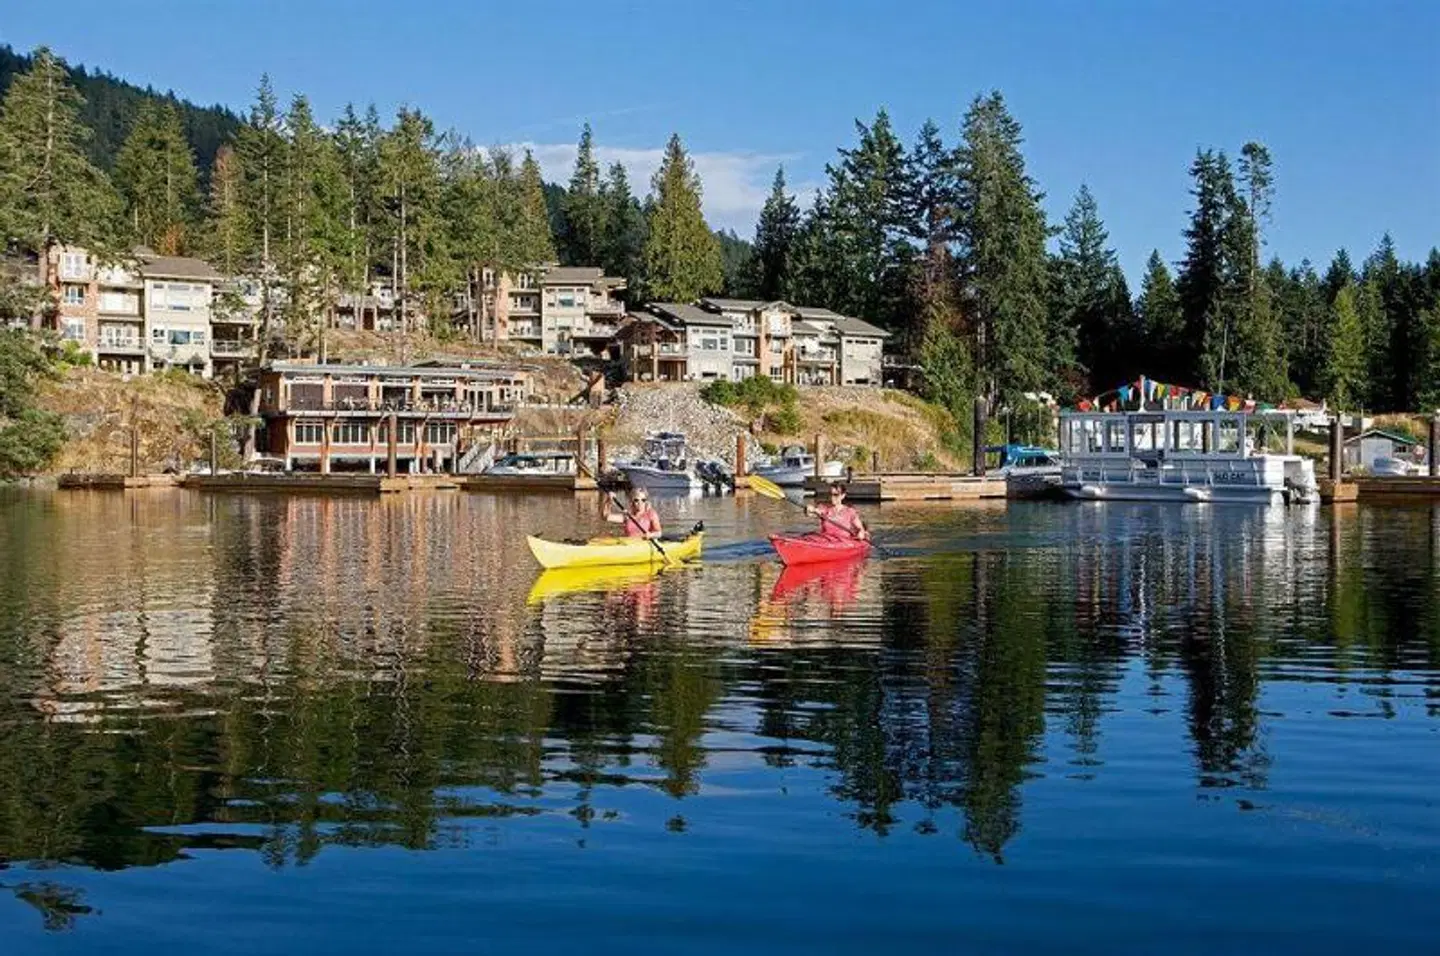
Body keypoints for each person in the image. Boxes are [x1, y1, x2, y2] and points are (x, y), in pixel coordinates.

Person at [805, 482, 870, 541]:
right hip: (826, 540)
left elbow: (860, 528)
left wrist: (861, 533)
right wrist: (809, 510)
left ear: (843, 495)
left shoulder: (850, 512)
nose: (832, 497)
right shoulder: (824, 508)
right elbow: (812, 513)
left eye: (835, 495)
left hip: (843, 542)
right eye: (830, 494)